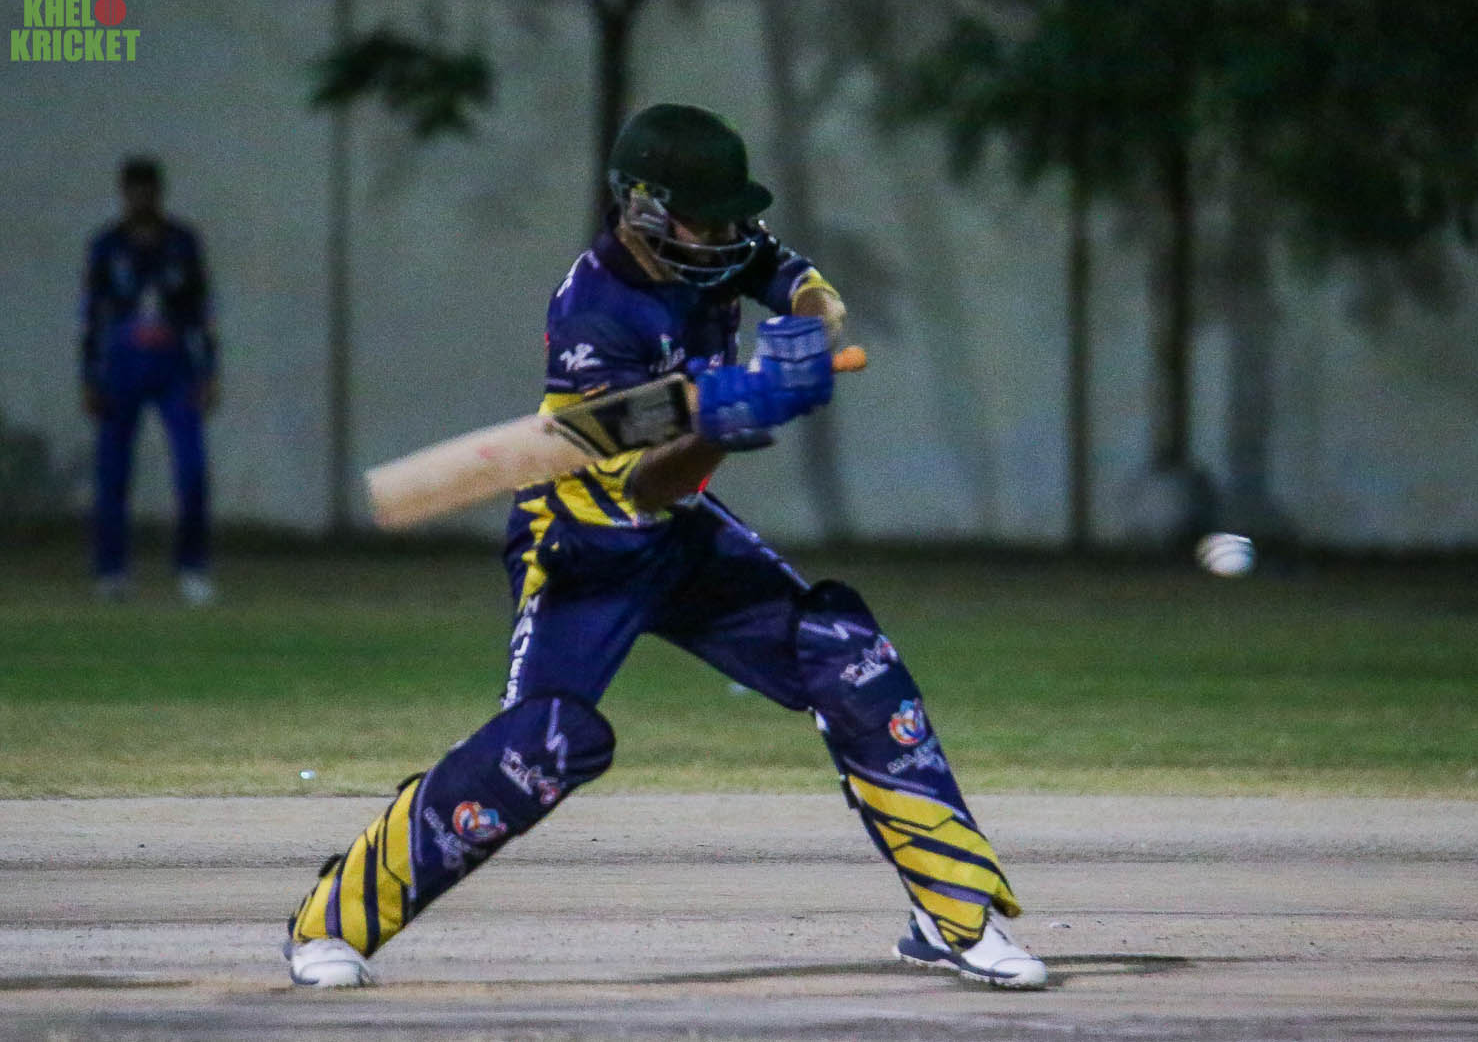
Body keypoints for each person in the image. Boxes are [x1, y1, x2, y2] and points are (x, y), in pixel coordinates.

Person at [283, 104, 1047, 990]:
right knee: (541, 746)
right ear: (643, 208)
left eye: (732, 221)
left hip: (681, 535)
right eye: (705, 220)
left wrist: (806, 335)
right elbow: (645, 483)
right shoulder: (594, 313)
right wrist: (724, 425)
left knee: (848, 655)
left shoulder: (720, 247)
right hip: (584, 545)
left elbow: (811, 289)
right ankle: (330, 924)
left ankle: (953, 914)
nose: (726, 238)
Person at [81, 156, 218, 605]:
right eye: (134, 191)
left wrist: (209, 372)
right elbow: (91, 316)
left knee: (192, 469)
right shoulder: (107, 246)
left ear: (159, 193)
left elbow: (203, 311)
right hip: (123, 365)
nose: (142, 199)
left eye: (148, 190)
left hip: (174, 364)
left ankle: (193, 569)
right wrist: (90, 377)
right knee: (113, 472)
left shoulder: (182, 242)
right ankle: (112, 571)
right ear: (124, 194)